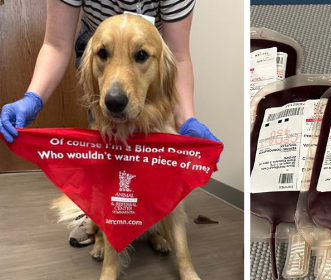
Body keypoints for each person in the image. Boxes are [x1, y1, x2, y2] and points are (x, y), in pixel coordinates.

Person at [0, 0, 220, 247]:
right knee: (108, 157)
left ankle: (148, 222)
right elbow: (56, 44)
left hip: (148, 50)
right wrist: (33, 98)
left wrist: (185, 119)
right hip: (97, 44)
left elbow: (177, 56)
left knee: (151, 161)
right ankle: (98, 219)